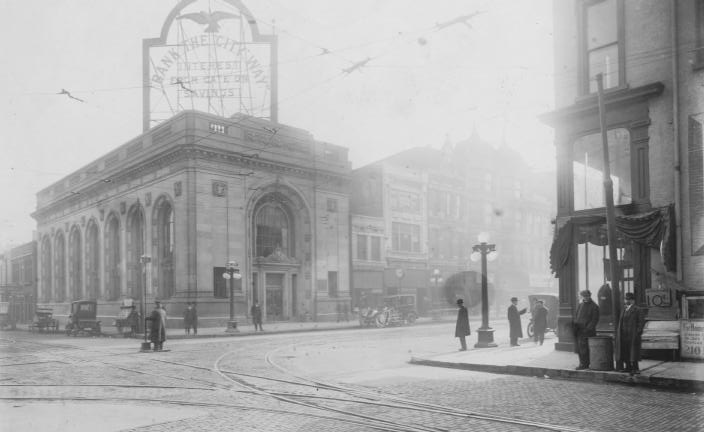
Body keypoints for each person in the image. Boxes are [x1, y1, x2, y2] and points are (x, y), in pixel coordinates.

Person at [617, 292, 645, 375]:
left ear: (633, 300)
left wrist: (638, 332)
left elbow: (641, 322)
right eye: (626, 299)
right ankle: (628, 367)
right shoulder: (624, 309)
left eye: (629, 299)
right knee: (625, 350)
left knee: (634, 352)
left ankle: (635, 368)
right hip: (624, 334)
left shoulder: (637, 310)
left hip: (633, 334)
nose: (627, 301)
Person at [573, 290, 600, 370]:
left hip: (587, 332)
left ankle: (586, 364)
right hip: (579, 331)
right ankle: (582, 363)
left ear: (589, 296)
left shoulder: (594, 306)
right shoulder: (580, 305)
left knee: (585, 348)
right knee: (579, 348)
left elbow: (595, 320)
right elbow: (576, 316)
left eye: (586, 296)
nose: (585, 298)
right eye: (583, 296)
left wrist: (587, 329)